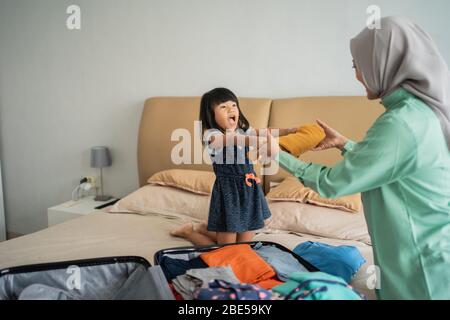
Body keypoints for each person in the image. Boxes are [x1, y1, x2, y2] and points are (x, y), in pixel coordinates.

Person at [274, 16, 450, 300]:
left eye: (358, 65)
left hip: (421, 267)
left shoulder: (400, 122)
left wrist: (275, 153)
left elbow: (333, 184)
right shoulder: (419, 113)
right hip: (429, 256)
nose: (357, 75)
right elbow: (395, 167)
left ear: (384, 62)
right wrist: (346, 145)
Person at [170, 88, 292, 245]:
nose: (231, 109)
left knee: (243, 246)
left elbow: (262, 132)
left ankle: (205, 229)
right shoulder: (212, 135)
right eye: (223, 107)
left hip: (249, 189)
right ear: (211, 114)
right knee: (227, 249)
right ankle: (188, 232)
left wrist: (288, 131)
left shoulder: (243, 130)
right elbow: (229, 140)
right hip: (229, 192)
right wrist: (250, 140)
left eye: (234, 105)